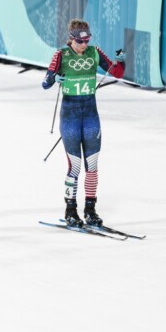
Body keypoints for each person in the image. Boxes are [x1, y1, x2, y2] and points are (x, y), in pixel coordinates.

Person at [42, 20, 125, 228]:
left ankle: (90, 210)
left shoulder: (94, 52)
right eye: (80, 41)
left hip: (90, 115)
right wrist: (55, 78)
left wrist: (121, 61)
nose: (84, 45)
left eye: (87, 40)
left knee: (93, 165)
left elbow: (117, 73)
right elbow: (45, 83)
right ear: (71, 39)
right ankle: (71, 211)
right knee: (75, 166)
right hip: (70, 117)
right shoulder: (61, 54)